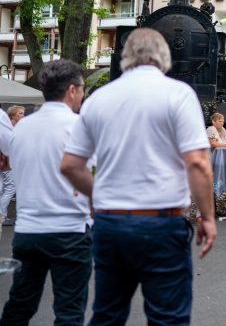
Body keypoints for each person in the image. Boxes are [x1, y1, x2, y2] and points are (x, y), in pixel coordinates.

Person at [60, 28, 216, 325]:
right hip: (162, 223)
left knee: (107, 315)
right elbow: (197, 163)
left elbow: (70, 165)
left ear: (125, 57)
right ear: (165, 58)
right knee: (167, 318)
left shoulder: (97, 99)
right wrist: (207, 216)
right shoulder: (179, 94)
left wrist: (99, 193)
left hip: (110, 224)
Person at [0, 61, 91, 326]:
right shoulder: (79, 126)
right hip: (70, 229)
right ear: (72, 90)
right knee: (69, 311)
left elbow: (12, 163)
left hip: (28, 231)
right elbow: (93, 175)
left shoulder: (21, 128)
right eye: (83, 89)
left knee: (20, 304)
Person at [0, 105, 23, 227]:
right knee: (10, 187)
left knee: (6, 187)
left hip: (8, 160)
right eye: (20, 113)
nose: (23, 116)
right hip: (6, 160)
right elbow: (7, 143)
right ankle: (2, 216)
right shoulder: (7, 124)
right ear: (12, 115)